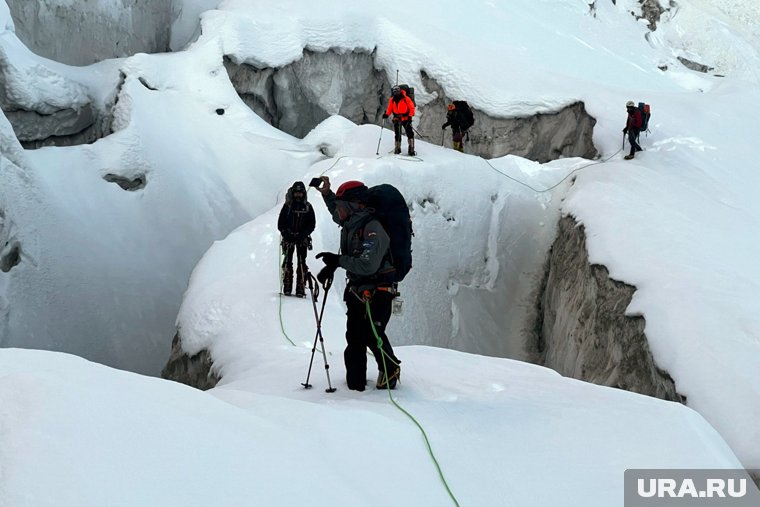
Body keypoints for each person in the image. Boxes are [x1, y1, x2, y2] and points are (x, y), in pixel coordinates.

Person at [314, 177, 402, 391]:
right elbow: (336, 210)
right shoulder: (351, 222)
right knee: (354, 337)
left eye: (342, 207)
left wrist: (338, 261)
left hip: (378, 290)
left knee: (372, 334)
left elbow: (368, 265)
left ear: (354, 206)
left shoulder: (373, 228)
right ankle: (355, 386)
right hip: (357, 290)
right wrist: (327, 194)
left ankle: (390, 369)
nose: (338, 212)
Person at [277, 181, 315, 297]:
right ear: (293, 193)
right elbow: (281, 224)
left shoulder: (307, 207)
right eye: (296, 193)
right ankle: (288, 284)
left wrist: (303, 234)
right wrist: (286, 234)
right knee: (289, 261)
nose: (298, 195)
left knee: (301, 262)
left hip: (301, 238)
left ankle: (300, 286)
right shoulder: (288, 206)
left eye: (300, 193)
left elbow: (311, 224)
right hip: (291, 238)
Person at [382, 85, 416, 156]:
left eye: (397, 91)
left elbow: (411, 107)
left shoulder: (406, 98)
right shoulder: (392, 100)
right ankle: (397, 149)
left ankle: (411, 149)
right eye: (395, 91)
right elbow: (389, 108)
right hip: (397, 119)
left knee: (409, 133)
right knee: (397, 134)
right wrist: (387, 114)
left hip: (406, 119)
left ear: (400, 91)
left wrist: (410, 117)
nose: (396, 92)